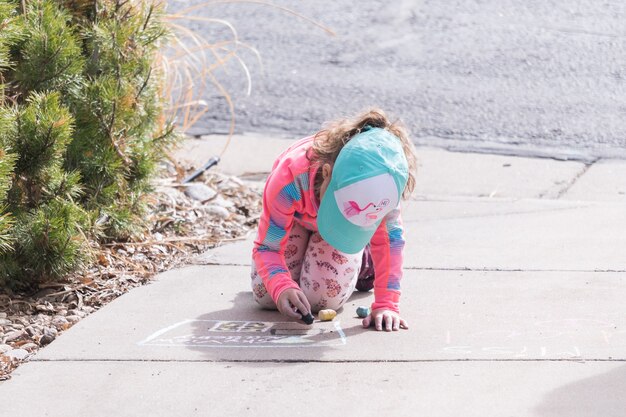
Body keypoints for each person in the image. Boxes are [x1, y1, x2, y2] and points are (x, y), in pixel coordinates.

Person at [250, 108, 417, 331]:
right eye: (343, 213)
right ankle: (333, 256)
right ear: (327, 173)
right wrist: (281, 286)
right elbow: (267, 247)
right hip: (296, 223)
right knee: (267, 296)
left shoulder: (384, 190)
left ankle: (364, 263)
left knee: (321, 299)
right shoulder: (289, 179)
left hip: (336, 234)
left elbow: (390, 243)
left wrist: (387, 304)